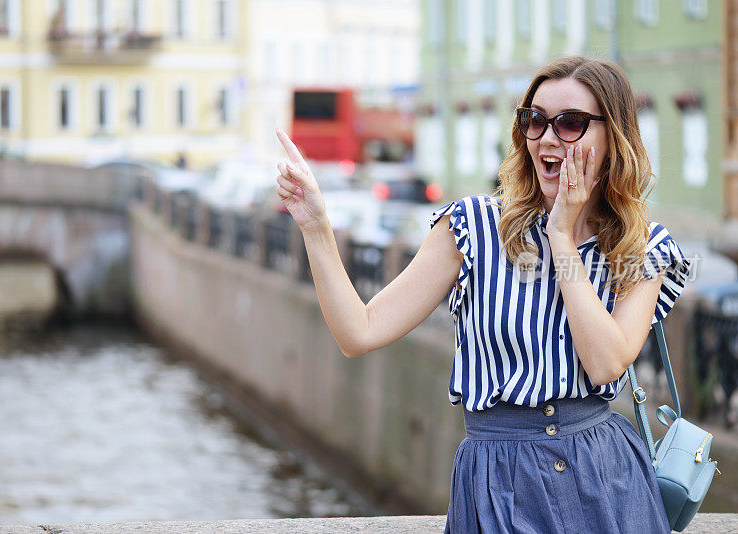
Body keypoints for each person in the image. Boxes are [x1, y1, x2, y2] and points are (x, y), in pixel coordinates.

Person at [273, 55, 690, 533]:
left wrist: (561, 237)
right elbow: (358, 333)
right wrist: (315, 226)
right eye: (535, 121)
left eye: (571, 123)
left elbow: (605, 363)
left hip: (606, 479)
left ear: (612, 136)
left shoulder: (641, 248)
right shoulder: (472, 229)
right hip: (499, 482)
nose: (548, 137)